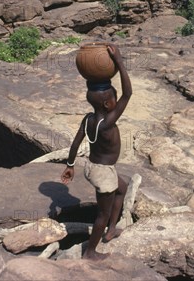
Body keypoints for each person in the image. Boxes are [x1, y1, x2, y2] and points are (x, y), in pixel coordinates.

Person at [61, 44, 132, 260]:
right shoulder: (108, 122)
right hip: (102, 171)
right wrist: (118, 61)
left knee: (123, 187)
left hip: (91, 167)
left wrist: (70, 165)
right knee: (101, 213)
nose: (116, 97)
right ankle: (90, 252)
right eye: (113, 97)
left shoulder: (88, 119)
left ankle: (112, 229)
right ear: (107, 104)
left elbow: (74, 144)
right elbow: (128, 93)